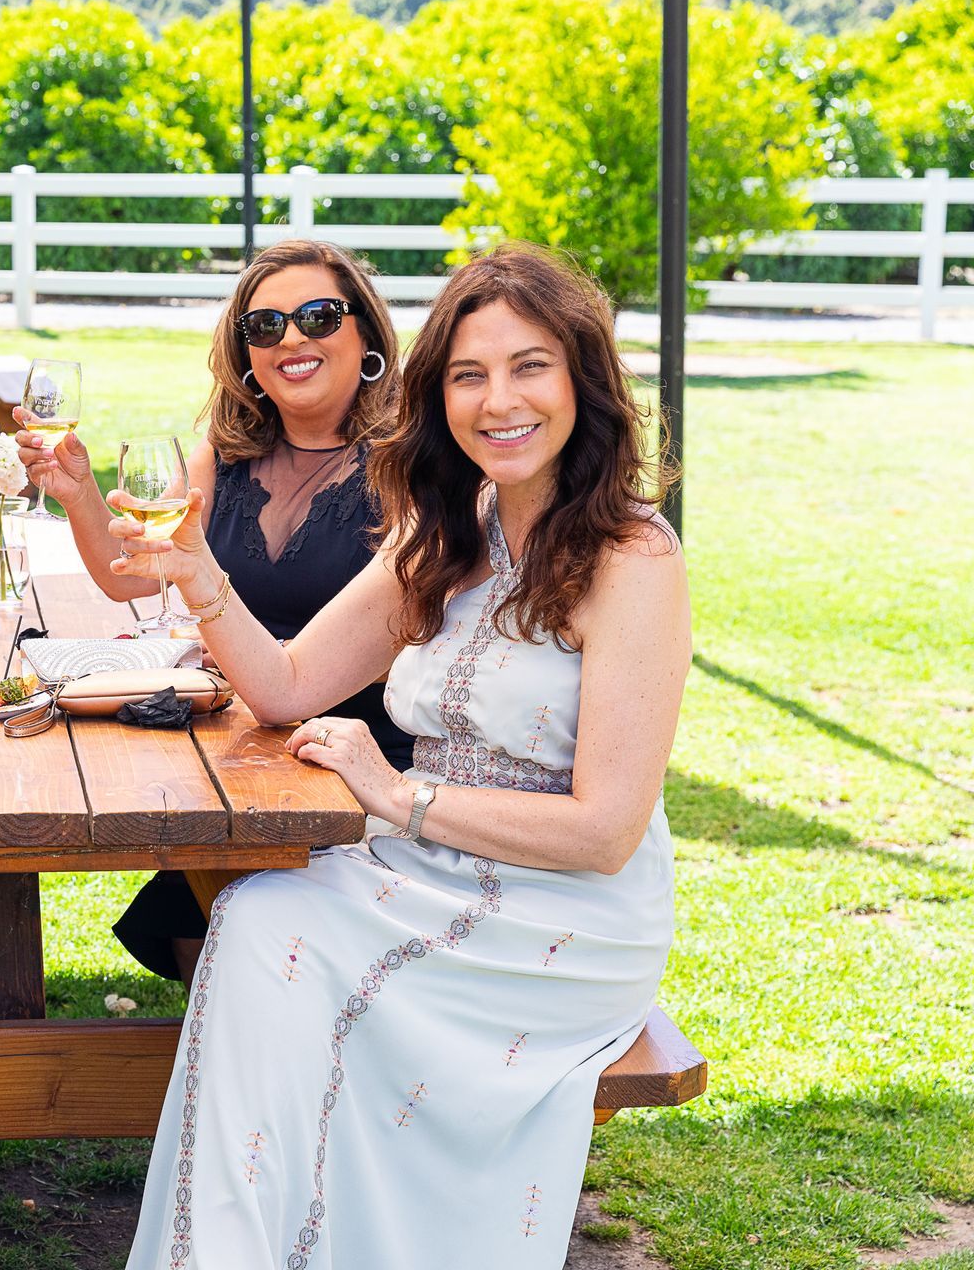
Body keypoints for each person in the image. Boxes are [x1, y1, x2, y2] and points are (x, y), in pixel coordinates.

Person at [113, 243, 690, 1266]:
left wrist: (396, 791)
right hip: (418, 870)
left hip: (563, 915)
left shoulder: (633, 559)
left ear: (582, 383)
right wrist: (194, 566)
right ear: (438, 396)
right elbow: (289, 683)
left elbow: (605, 832)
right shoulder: (445, 526)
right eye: (469, 374)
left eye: (529, 367)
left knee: (275, 937)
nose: (497, 400)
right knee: (253, 917)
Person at [14, 239, 414, 985]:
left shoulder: (409, 467)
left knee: (219, 910)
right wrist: (79, 493)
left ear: (367, 336)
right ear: (246, 354)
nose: (292, 339)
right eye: (265, 327)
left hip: (364, 753)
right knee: (195, 907)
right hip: (249, 741)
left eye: (319, 317)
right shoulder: (227, 455)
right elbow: (130, 574)